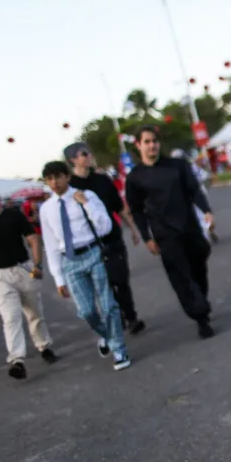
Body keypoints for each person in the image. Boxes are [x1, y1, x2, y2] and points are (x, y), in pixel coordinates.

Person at [39, 162, 130, 371]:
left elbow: (105, 226)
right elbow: (51, 244)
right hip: (70, 261)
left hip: (94, 253)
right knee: (86, 311)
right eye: (49, 179)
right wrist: (58, 278)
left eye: (58, 177)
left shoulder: (86, 195)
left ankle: (119, 349)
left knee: (108, 306)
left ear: (67, 177)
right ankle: (105, 335)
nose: (54, 182)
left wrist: (86, 204)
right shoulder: (46, 209)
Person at [125, 126, 215, 339]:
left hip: (190, 227)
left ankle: (200, 301)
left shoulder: (177, 166)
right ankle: (200, 317)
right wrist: (147, 238)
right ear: (138, 145)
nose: (151, 145)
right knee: (181, 276)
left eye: (154, 141)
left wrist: (206, 210)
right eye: (146, 141)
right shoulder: (135, 178)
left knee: (198, 270)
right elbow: (136, 211)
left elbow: (194, 190)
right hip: (165, 235)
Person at [66, 142, 146, 334]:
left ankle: (131, 316)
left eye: (89, 152)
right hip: (91, 243)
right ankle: (117, 317)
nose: (89, 156)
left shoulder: (102, 180)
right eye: (84, 154)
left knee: (121, 279)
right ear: (73, 160)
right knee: (105, 283)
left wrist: (133, 229)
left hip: (113, 238)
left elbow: (118, 206)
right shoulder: (71, 188)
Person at [0, 182, 58, 379]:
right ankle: (17, 360)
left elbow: (33, 238)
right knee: (10, 317)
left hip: (22, 268)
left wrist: (37, 265)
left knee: (34, 312)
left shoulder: (13, 215)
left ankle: (44, 346)